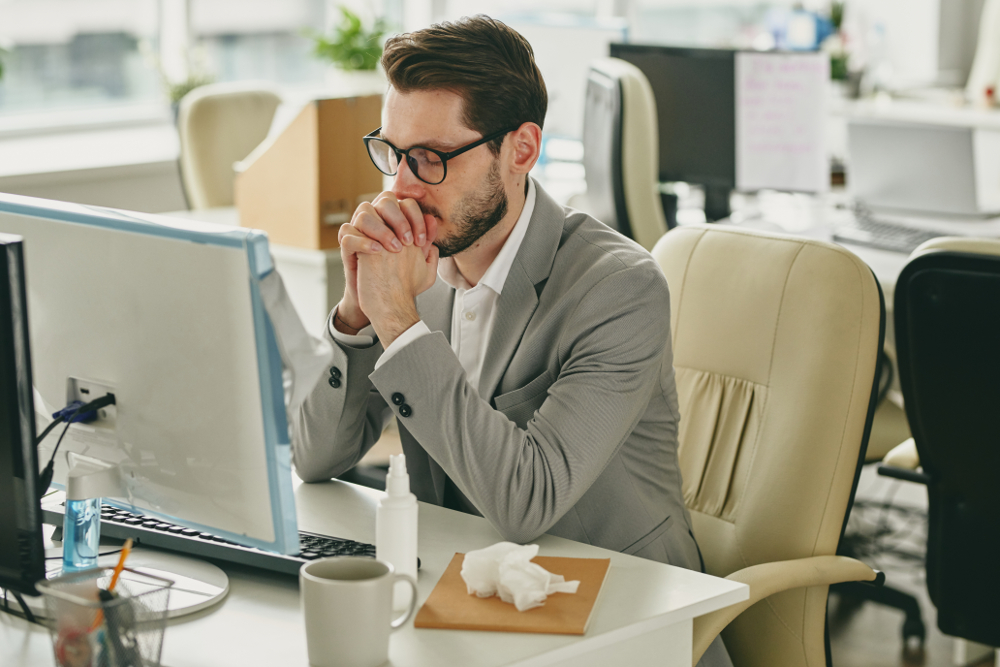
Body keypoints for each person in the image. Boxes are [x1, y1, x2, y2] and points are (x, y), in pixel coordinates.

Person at [292, 15, 731, 666]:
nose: (403, 187)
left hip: (620, 622)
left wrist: (399, 324)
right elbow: (314, 457)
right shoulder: (424, 264)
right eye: (392, 153)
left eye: (431, 159)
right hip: (471, 606)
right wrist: (358, 318)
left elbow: (528, 502)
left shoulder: (619, 288)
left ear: (520, 150)